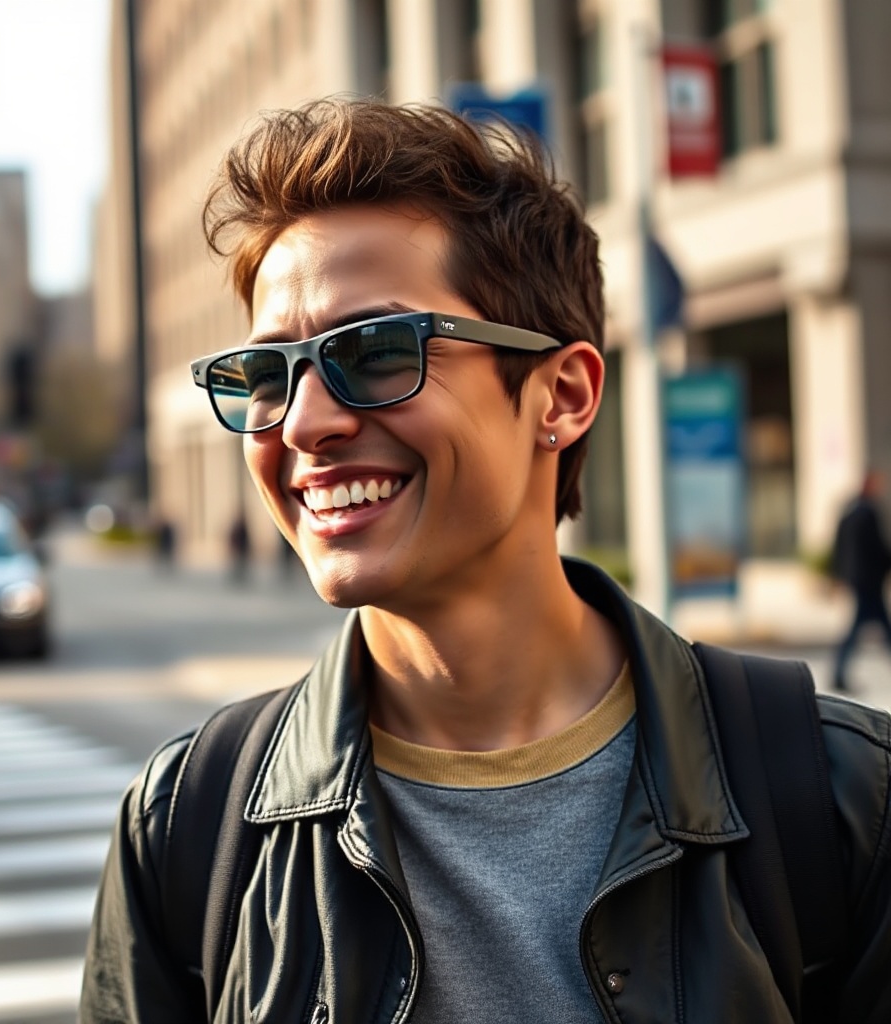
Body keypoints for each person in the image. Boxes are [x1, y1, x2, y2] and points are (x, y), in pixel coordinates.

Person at [80, 100, 891, 1023]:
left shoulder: (840, 802)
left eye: (380, 351)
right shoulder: (188, 827)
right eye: (267, 375)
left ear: (565, 394)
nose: (304, 422)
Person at [831, 470, 891, 691]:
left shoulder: (851, 510)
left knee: (869, 629)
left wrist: (839, 574)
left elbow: (838, 546)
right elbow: (875, 548)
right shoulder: (868, 513)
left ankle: (838, 674)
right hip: (869, 582)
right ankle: (838, 674)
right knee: (863, 629)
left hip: (857, 579)